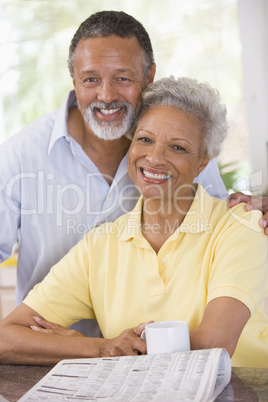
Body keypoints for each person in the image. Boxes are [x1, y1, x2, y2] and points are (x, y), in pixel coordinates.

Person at [0, 11, 267, 337]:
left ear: (149, 75)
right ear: (73, 79)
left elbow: (215, 233)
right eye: (91, 79)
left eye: (123, 78)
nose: (107, 95)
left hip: (165, 359)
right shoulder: (19, 157)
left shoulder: (182, 146)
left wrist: (253, 212)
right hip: (53, 354)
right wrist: (96, 349)